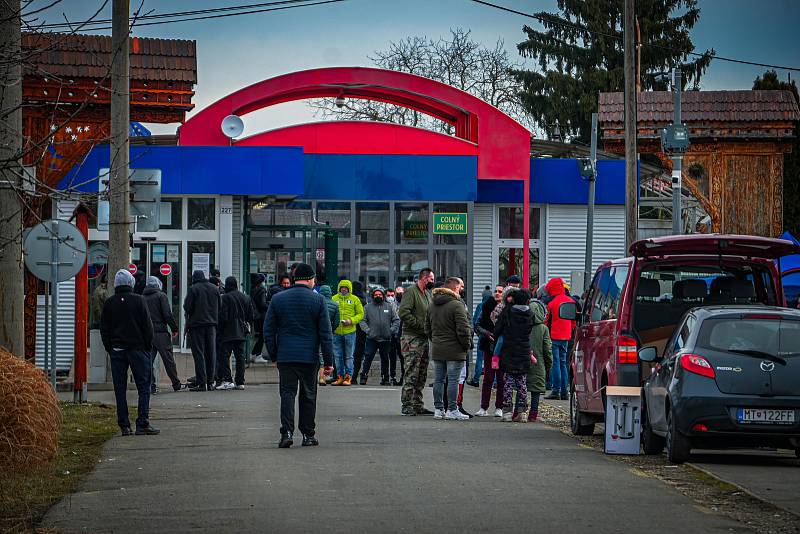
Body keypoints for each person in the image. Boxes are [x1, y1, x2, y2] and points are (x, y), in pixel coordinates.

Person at [263, 263, 334, 448]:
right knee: (308, 395)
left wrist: (274, 355)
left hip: (286, 356)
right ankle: (308, 435)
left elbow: (268, 331)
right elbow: (326, 334)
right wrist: (328, 361)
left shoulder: (278, 299)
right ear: (311, 279)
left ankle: (286, 432)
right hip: (309, 357)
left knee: (287, 394)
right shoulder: (318, 301)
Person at [100, 269, 159, 436]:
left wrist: (110, 348)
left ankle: (124, 425)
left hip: (118, 350)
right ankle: (142, 422)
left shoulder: (109, 303)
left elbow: (104, 328)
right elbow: (147, 326)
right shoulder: (139, 301)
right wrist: (148, 346)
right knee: (143, 386)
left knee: (120, 389)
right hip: (138, 349)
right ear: (130, 283)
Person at [425, 277, 472, 421]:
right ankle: (452, 408)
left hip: (438, 348)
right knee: (453, 380)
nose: (462, 289)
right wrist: (467, 345)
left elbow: (427, 328)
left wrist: (436, 341)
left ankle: (439, 409)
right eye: (461, 287)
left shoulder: (432, 304)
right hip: (455, 349)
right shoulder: (457, 305)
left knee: (438, 380)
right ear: (455, 288)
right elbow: (463, 329)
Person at [493, 289, 534, 422]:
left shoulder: (508, 312)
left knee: (508, 383)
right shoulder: (530, 314)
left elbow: (497, 329)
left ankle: (507, 412)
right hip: (524, 349)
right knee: (522, 383)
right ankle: (522, 412)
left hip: (509, 350)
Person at [398, 268, 435, 416]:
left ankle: (417, 404)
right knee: (411, 372)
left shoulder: (427, 294)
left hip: (424, 338)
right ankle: (406, 404)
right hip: (412, 338)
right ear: (424, 278)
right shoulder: (411, 292)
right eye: (431, 278)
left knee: (421, 373)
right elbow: (403, 313)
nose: (433, 281)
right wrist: (420, 326)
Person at [142, 276, 184, 393]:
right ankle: (176, 384)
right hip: (161, 333)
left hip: (147, 334)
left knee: (148, 361)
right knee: (168, 360)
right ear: (158, 285)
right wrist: (174, 328)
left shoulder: (141, 298)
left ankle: (151, 386)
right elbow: (167, 314)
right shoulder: (161, 296)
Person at [184, 270, 221, 391]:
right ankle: (211, 382)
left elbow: (187, 307)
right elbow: (219, 306)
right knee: (211, 353)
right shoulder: (214, 289)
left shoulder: (194, 289)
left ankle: (201, 383)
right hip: (212, 326)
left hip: (197, 326)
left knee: (199, 354)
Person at [216, 276, 256, 390]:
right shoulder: (246, 297)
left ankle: (228, 380)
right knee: (240, 358)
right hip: (241, 332)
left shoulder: (225, 298)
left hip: (228, 332)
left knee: (224, 356)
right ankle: (240, 382)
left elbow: (223, 316)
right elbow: (251, 316)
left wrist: (220, 329)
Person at [475, 285, 505, 417]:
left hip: (503, 347)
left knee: (501, 379)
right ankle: (484, 407)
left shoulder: (507, 308)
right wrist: (487, 333)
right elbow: (477, 325)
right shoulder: (486, 306)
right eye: (496, 291)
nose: (497, 293)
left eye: (500, 291)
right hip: (488, 345)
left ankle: (499, 407)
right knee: (488, 377)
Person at [360, 288, 400, 385]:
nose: (378, 296)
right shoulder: (367, 307)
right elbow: (362, 321)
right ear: (373, 296)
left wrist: (391, 331)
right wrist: (368, 331)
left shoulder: (389, 307)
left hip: (386, 338)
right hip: (372, 338)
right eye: (376, 295)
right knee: (368, 357)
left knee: (385, 358)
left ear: (383, 296)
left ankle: (385, 378)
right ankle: (363, 376)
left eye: (380, 294)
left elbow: (396, 320)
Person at [544, 277, 574, 401]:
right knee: (563, 363)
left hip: (554, 336)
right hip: (566, 336)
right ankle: (564, 392)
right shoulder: (570, 301)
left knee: (555, 363)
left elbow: (546, 321)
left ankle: (556, 390)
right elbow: (573, 321)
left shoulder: (552, 303)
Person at [331, 279, 364, 386]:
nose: (344, 290)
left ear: (349, 289)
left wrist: (351, 321)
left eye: (346, 288)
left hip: (350, 332)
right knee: (337, 356)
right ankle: (340, 376)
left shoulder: (355, 299)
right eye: (342, 288)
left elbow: (360, 314)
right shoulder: (334, 298)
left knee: (349, 356)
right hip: (337, 332)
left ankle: (348, 376)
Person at [527, 298, 553, 422]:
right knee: (536, 391)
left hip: (523, 361)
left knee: (521, 388)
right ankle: (533, 414)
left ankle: (519, 411)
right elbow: (547, 349)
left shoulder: (524, 325)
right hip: (539, 362)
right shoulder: (543, 329)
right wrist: (548, 365)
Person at [318, 285, 340, 385]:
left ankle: (320, 377)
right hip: (328, 332)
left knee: (318, 353)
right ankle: (325, 377)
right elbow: (337, 322)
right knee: (327, 353)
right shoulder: (335, 305)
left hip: (316, 331)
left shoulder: (317, 302)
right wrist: (332, 329)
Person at [350, 280, 369, 380]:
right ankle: (354, 375)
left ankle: (346, 375)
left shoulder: (352, 300)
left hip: (350, 329)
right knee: (358, 355)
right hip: (361, 332)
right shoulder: (364, 301)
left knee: (347, 353)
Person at [250, 273, 269, 363]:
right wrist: (270, 306)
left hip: (256, 315)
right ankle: (257, 354)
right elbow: (262, 304)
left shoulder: (252, 288)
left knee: (259, 336)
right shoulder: (261, 289)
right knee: (262, 336)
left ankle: (254, 354)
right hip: (262, 316)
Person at [466, 296, 485, 387]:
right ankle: (495, 383)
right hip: (493, 337)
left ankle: (476, 379)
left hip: (482, 336)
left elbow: (475, 321)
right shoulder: (496, 306)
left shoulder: (481, 306)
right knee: (494, 360)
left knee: (480, 359)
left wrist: (478, 334)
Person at [388, 286, 405, 385]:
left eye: (401, 293)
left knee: (402, 357)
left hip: (402, 335)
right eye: (397, 293)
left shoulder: (406, 304)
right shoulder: (391, 305)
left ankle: (403, 377)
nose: (399, 295)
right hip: (392, 334)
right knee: (392, 357)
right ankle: (392, 376)